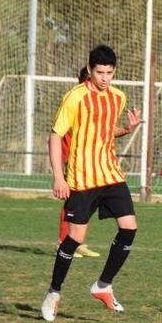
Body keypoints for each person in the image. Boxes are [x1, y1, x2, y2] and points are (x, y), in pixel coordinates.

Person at [40, 45, 142, 322]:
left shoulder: (118, 97)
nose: (105, 78)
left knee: (129, 229)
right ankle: (54, 293)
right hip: (81, 180)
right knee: (75, 238)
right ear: (89, 69)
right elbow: (55, 135)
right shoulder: (74, 98)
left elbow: (106, 132)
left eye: (110, 72)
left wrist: (127, 130)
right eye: (100, 72)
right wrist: (59, 176)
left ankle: (103, 285)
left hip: (111, 175)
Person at [56, 66, 100, 259]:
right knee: (72, 202)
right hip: (72, 159)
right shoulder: (74, 99)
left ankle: (77, 242)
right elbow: (61, 132)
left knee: (88, 202)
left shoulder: (94, 101)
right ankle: (63, 243)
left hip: (89, 160)